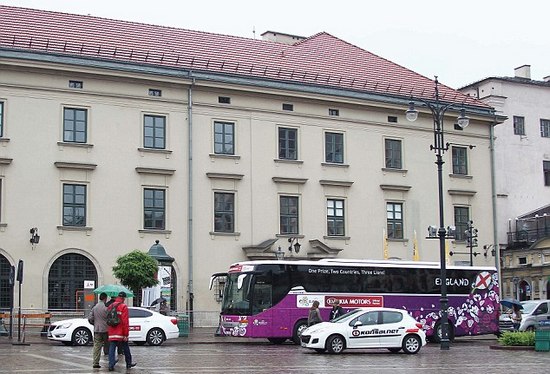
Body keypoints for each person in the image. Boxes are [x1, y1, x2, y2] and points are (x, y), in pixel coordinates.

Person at [107, 292, 136, 371]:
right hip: (120, 331)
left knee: (112, 348)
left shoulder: (110, 306)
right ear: (123, 298)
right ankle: (129, 363)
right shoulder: (123, 307)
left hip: (112, 330)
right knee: (125, 347)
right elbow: (125, 322)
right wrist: (126, 334)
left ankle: (111, 364)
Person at [88, 292, 108, 369]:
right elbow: (109, 318)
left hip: (97, 329)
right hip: (106, 330)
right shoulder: (106, 308)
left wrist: (94, 323)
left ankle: (95, 362)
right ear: (105, 298)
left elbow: (90, 318)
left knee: (97, 346)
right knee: (108, 346)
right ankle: (110, 362)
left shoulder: (95, 307)